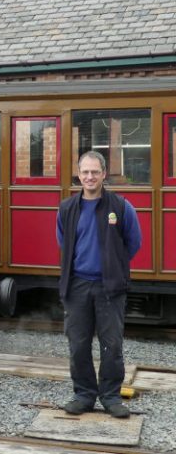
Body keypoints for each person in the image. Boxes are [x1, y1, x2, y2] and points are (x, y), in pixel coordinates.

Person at [56, 150, 141, 418]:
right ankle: (83, 395)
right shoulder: (67, 208)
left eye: (95, 172)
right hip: (77, 285)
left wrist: (113, 264)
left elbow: (134, 242)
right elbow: (63, 242)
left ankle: (111, 397)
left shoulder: (121, 206)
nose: (90, 177)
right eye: (85, 172)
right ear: (79, 175)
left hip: (109, 287)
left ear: (104, 174)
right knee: (78, 345)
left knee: (111, 345)